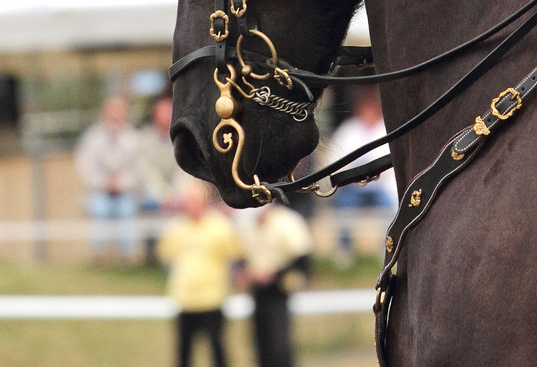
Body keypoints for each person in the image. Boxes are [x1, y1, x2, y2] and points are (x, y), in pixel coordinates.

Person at [158, 179, 243, 367]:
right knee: (183, 352)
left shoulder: (220, 226)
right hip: (185, 299)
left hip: (212, 298)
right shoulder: (175, 228)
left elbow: (235, 254)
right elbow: (165, 256)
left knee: (217, 350)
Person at [238, 204, 314, 367]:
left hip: (280, 289)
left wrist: (274, 274)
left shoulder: (287, 222)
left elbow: (302, 259)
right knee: (261, 341)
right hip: (258, 289)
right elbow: (243, 255)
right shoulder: (251, 226)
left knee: (278, 342)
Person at [327, 89, 397, 260]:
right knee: (344, 205)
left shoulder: (386, 129)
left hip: (380, 186)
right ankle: (344, 252)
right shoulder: (348, 131)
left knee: (391, 208)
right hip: (353, 187)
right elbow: (333, 159)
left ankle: (388, 248)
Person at [75, 94, 141, 262]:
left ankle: (126, 257)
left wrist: (122, 183)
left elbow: (138, 168)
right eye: (112, 111)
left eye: (119, 111)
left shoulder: (133, 138)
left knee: (126, 211)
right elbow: (85, 166)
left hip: (125, 192)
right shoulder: (93, 137)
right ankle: (99, 257)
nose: (115, 115)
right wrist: (104, 183)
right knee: (100, 210)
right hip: (99, 191)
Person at [137, 95, 185, 265]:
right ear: (154, 115)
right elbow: (146, 172)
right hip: (154, 194)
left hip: (179, 193)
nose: (168, 115)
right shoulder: (144, 140)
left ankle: (177, 258)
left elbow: (185, 168)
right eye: (163, 111)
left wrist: (176, 194)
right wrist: (164, 195)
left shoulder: (184, 137)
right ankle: (154, 256)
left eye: (170, 111)